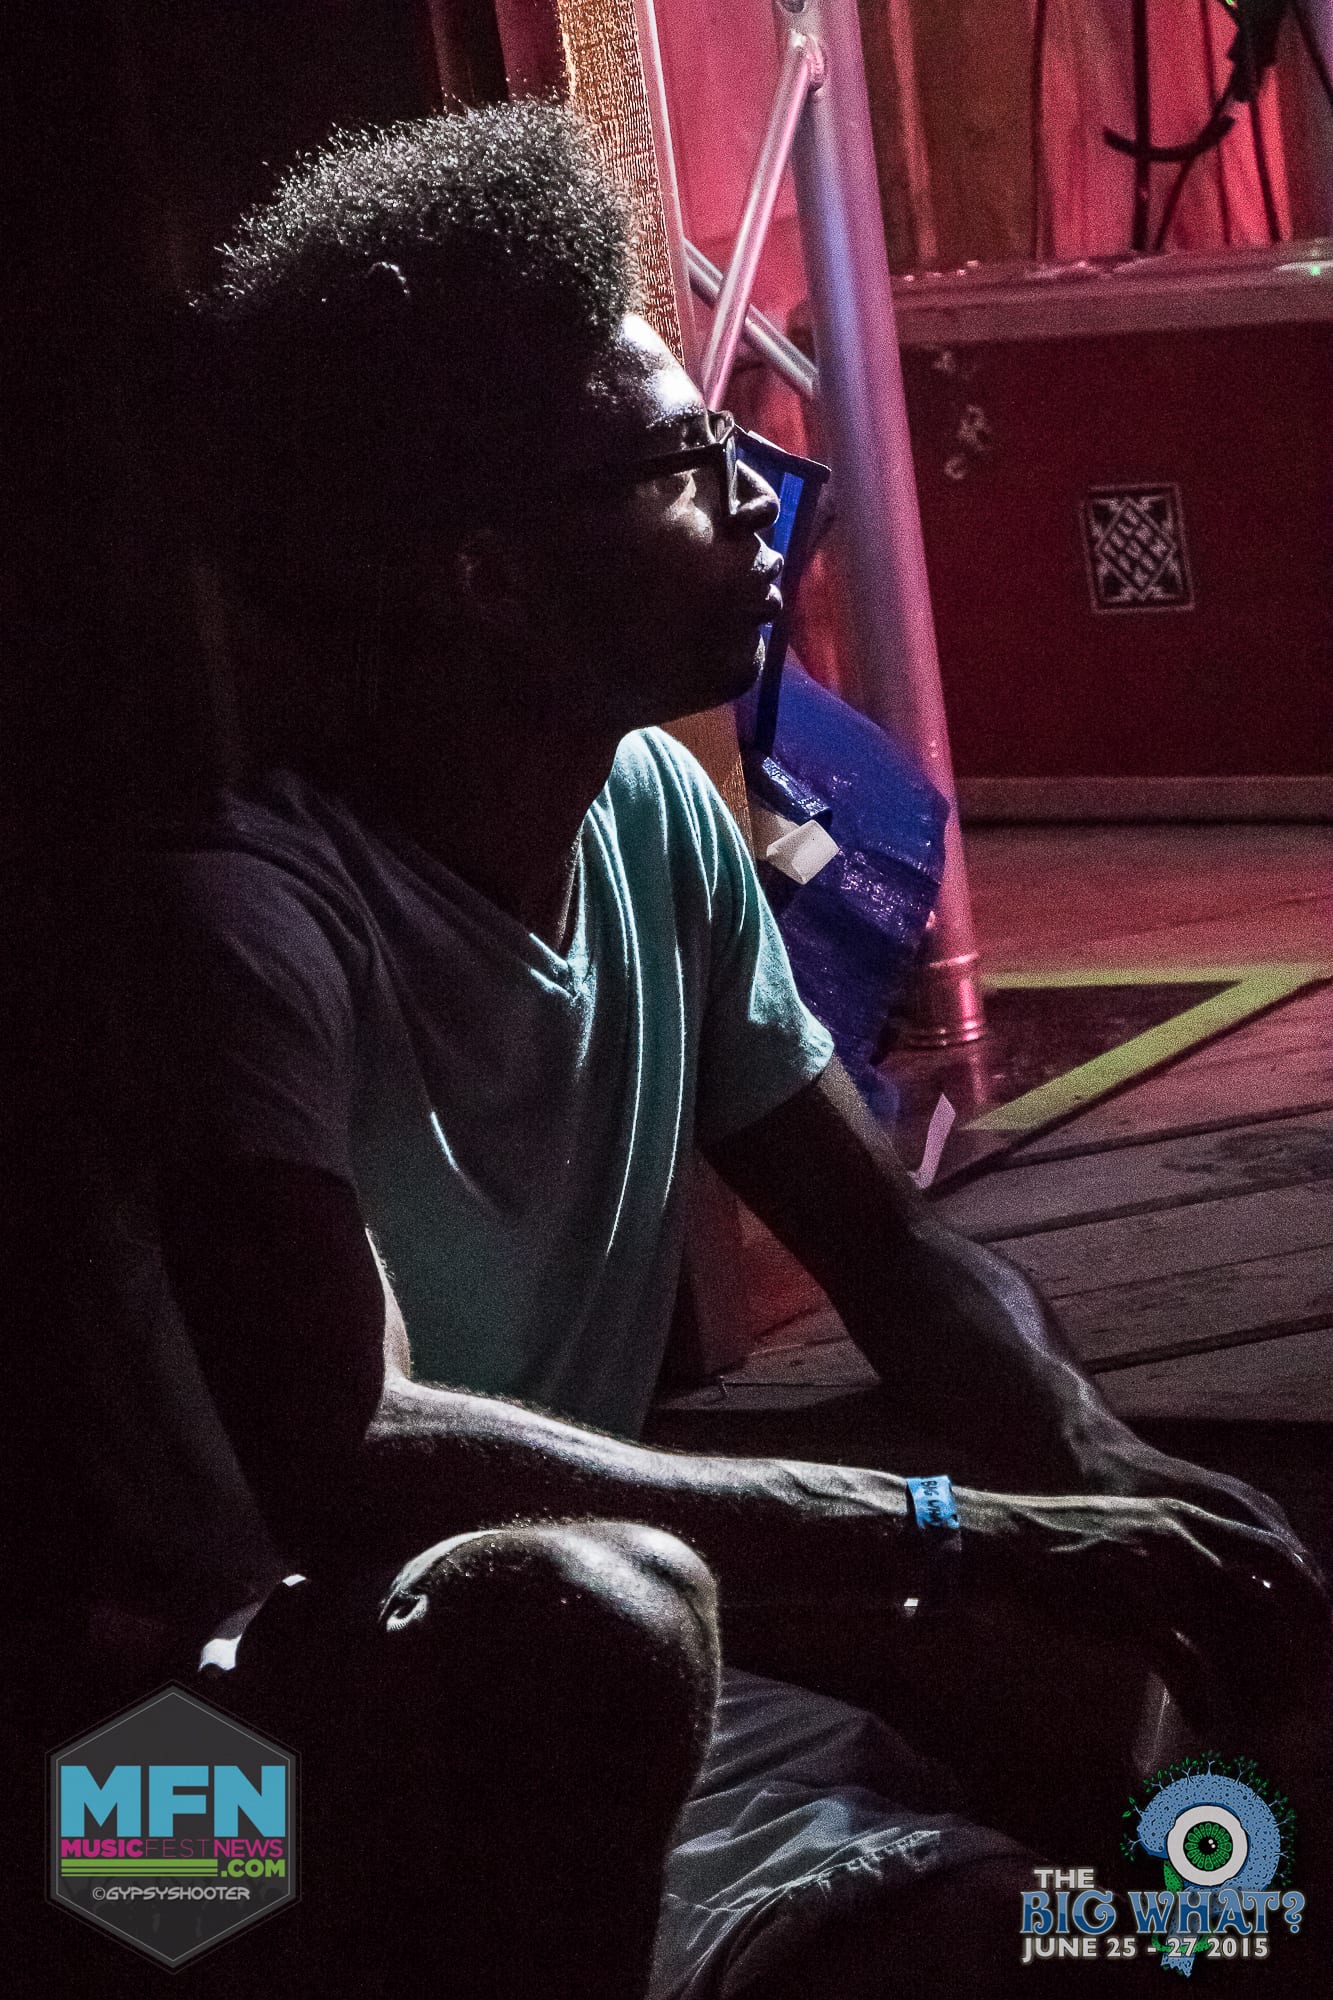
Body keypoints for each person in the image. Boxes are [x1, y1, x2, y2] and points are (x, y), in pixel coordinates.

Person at [78, 102, 1324, 1998]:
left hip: (529, 1681)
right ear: (485, 574)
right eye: (681, 463)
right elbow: (347, 1454)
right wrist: (945, 1527)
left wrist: (1097, 1475)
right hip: (180, 1785)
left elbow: (890, 1250)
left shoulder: (656, 812)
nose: (754, 493)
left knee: (1177, 1763)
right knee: (610, 1607)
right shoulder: (247, 923)